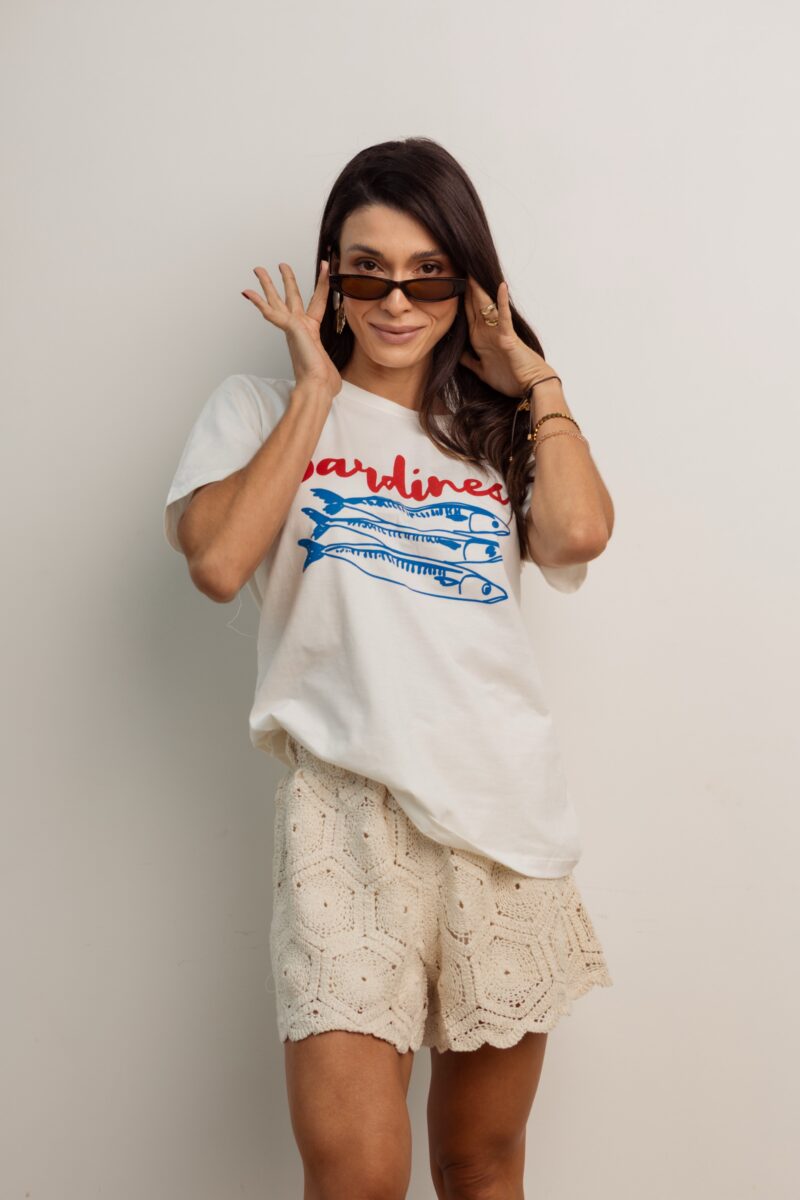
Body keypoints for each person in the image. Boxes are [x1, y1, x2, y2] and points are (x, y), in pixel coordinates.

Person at [163, 137, 615, 1199]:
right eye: (367, 273)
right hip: (343, 814)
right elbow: (218, 562)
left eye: (428, 275)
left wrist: (535, 379)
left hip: (500, 817)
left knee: (479, 1163)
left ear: (467, 288)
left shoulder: (495, 431)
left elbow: (579, 534)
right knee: (358, 1174)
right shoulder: (257, 409)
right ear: (331, 277)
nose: (397, 302)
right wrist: (314, 396)